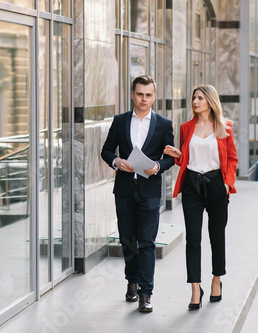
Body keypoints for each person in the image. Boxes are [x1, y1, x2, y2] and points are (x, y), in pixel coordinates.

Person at [101, 75, 175, 312]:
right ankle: (131, 282)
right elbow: (106, 150)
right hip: (124, 190)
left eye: (148, 94)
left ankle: (146, 293)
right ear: (132, 95)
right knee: (127, 240)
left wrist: (157, 166)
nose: (144, 98)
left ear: (154, 96)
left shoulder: (164, 124)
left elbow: (170, 158)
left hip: (150, 191)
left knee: (147, 243)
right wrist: (116, 161)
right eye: (140, 94)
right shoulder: (120, 121)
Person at [163, 84, 238, 310]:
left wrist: (226, 184)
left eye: (200, 98)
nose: (195, 102)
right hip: (192, 187)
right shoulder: (186, 127)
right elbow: (186, 158)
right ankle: (196, 288)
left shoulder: (225, 128)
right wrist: (178, 155)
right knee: (193, 239)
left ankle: (217, 280)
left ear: (210, 101)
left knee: (217, 236)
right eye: (194, 98)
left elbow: (232, 159)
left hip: (216, 186)